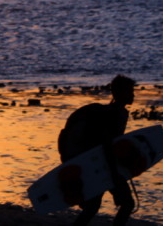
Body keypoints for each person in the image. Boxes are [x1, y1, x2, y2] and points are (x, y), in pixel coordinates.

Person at [58, 75, 137, 226]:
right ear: (120, 93)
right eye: (130, 91)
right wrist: (115, 175)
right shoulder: (114, 114)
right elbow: (107, 145)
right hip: (104, 166)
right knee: (127, 204)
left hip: (96, 165)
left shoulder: (114, 112)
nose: (133, 95)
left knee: (92, 208)